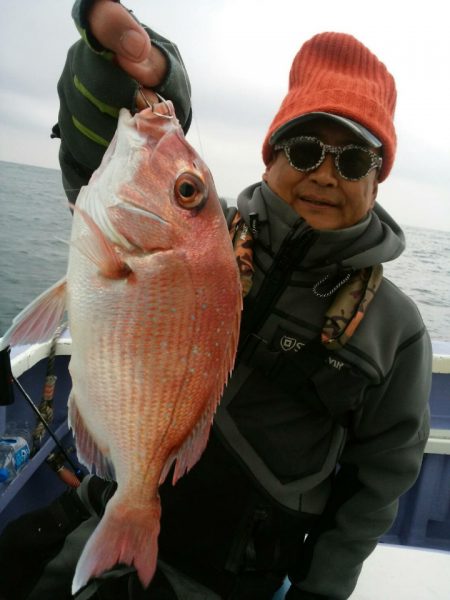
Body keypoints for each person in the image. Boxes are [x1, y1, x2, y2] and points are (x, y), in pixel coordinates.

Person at [0, 1, 432, 599]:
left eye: (355, 159)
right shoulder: (204, 235)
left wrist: (319, 592)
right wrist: (130, 73)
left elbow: (379, 484)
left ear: (377, 178)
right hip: (102, 505)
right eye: (306, 149)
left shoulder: (396, 330)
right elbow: (95, 157)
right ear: (271, 154)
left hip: (228, 575)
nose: (327, 175)